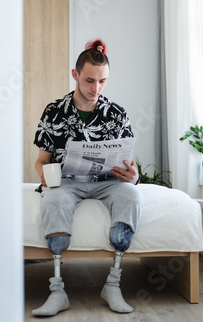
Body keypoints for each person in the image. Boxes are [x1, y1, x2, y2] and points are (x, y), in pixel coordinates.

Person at [32, 39, 143, 317]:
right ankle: (57, 292)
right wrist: (45, 176)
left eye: (103, 81)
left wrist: (133, 176)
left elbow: (130, 166)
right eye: (89, 80)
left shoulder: (117, 113)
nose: (96, 89)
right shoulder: (54, 110)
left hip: (108, 182)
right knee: (53, 201)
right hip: (67, 181)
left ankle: (113, 285)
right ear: (75, 75)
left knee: (131, 195)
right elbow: (41, 160)